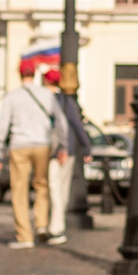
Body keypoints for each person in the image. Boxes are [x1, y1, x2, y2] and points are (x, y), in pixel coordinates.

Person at [0, 62, 60, 250]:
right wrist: (62, 143)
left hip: (19, 145)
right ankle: (41, 225)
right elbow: (60, 121)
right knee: (41, 185)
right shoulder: (46, 95)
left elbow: (3, 125)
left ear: (19, 74)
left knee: (19, 189)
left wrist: (0, 146)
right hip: (42, 144)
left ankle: (24, 236)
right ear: (35, 74)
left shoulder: (12, 96)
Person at [47, 66, 86, 241]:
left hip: (53, 150)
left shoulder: (50, 99)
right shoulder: (65, 100)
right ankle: (56, 226)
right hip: (66, 149)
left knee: (55, 187)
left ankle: (56, 227)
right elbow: (77, 125)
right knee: (60, 188)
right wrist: (86, 146)